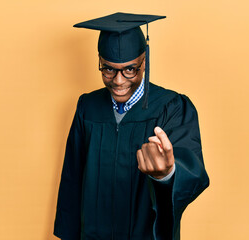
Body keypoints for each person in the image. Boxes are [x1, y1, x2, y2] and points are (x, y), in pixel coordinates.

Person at [54, 12, 209, 240]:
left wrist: (167, 173)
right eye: (108, 69)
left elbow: (194, 173)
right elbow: (72, 181)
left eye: (130, 69)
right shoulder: (87, 108)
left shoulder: (171, 107)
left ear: (143, 62)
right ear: (99, 61)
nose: (118, 80)